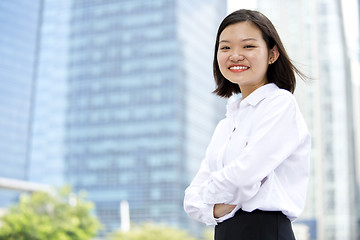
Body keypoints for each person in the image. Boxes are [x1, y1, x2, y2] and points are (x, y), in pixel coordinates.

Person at [183, 9, 311, 240]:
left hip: (265, 231)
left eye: (248, 46)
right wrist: (221, 201)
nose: (235, 55)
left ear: (272, 54)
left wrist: (211, 193)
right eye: (225, 47)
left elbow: (243, 176)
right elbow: (190, 201)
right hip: (224, 232)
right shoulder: (225, 125)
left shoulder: (280, 104)